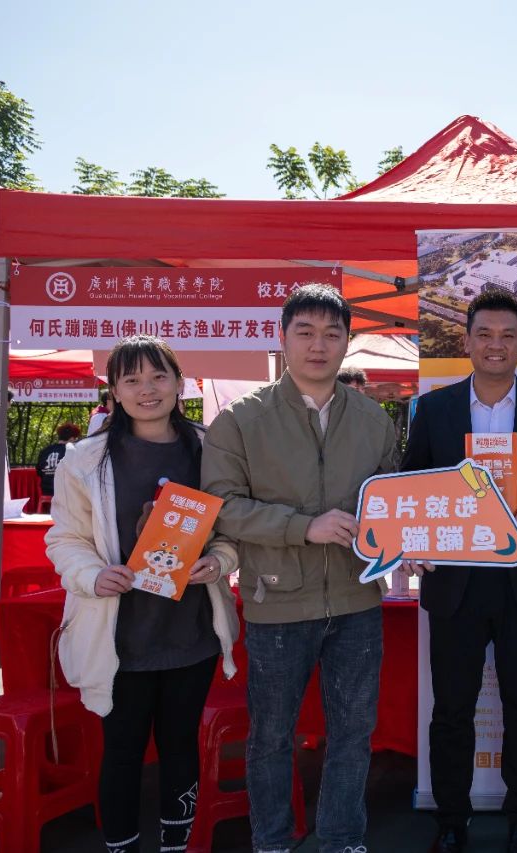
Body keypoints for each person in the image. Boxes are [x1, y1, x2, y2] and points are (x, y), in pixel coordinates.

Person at [202, 285, 399, 853]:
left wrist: (408, 540)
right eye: (305, 332)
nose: (319, 345)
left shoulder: (374, 420)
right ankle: (271, 842)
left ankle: (342, 839)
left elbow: (391, 501)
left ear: (347, 343)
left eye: (332, 334)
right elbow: (222, 505)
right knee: (271, 737)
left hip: (358, 601)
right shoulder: (241, 419)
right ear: (282, 339)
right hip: (277, 600)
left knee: (353, 734)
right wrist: (302, 527)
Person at [45, 336, 240, 853]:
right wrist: (92, 574)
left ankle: (176, 845)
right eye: (131, 380)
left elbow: (231, 528)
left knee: (180, 746)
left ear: (180, 383)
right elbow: (65, 537)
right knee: (123, 751)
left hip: (190, 633)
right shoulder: (84, 459)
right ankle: (121, 847)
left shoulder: (210, 449)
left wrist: (219, 561)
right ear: (113, 391)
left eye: (158, 376)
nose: (146, 389)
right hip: (119, 637)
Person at [398, 292, 517, 853]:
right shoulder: (435, 409)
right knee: (451, 710)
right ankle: (451, 819)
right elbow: (412, 484)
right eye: (485, 334)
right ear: (467, 341)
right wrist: (413, 542)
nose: (496, 345)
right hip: (456, 583)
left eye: (507, 335)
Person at [35, 422, 82, 496]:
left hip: (46, 493)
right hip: (66, 494)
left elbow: (39, 472)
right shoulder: (72, 451)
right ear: (72, 438)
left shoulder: (45, 451)